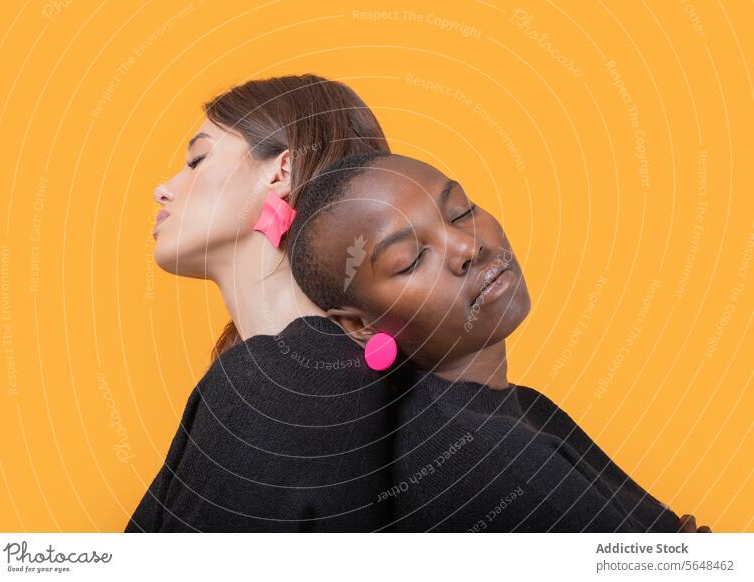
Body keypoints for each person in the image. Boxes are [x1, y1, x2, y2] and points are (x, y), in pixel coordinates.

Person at [286, 151, 712, 532]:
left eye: (460, 210)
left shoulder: (514, 408)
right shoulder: (478, 460)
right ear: (360, 325)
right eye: (412, 258)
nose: (468, 246)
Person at [125, 75, 398, 532]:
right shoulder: (322, 371)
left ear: (280, 173)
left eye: (198, 159)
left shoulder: (277, 383)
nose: (163, 188)